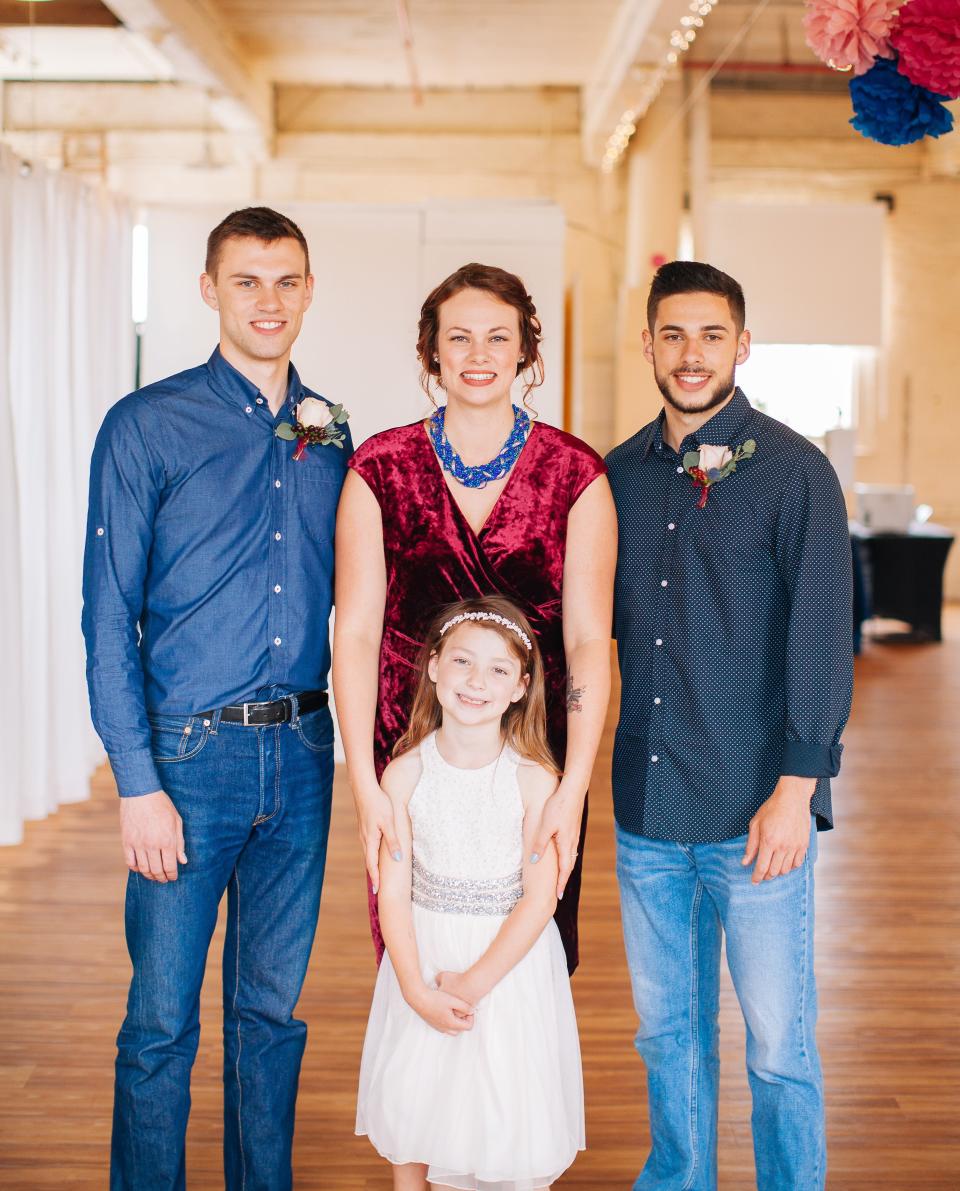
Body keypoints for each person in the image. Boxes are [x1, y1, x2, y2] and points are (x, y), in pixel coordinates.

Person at [81, 207, 352, 1190]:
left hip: (304, 755)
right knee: (160, 1022)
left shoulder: (332, 427)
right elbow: (107, 619)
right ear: (210, 290)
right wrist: (135, 783)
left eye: (286, 280)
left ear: (310, 291)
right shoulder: (146, 424)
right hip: (187, 764)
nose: (269, 300)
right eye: (248, 281)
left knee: (270, 1016)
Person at [605, 260, 853, 1190]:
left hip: (759, 818)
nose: (691, 353)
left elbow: (823, 639)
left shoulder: (795, 473)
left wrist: (798, 792)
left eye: (711, 335)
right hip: (647, 810)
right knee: (669, 1037)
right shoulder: (620, 475)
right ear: (649, 344)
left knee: (778, 1048)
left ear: (742, 346)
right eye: (673, 334)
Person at [333, 262, 616, 975]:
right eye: (459, 338)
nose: (479, 355)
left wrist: (573, 786)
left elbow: (587, 641)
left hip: (532, 752)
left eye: (499, 337)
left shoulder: (576, 473)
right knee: (412, 946)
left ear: (527, 351)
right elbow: (357, 632)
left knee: (527, 952)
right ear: (432, 351)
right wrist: (365, 789)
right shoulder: (379, 467)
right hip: (410, 743)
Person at [355, 595, 585, 1190]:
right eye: (462, 661)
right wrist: (413, 987)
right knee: (416, 1100)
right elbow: (393, 894)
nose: (477, 681)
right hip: (425, 957)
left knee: (501, 1108)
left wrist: (474, 984)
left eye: (498, 669)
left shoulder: (536, 781)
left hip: (504, 971)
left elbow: (540, 900)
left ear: (520, 688)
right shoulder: (403, 775)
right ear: (432, 666)